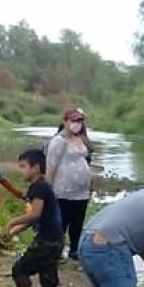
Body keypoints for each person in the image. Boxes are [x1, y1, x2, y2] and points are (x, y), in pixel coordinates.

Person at [4, 149, 64, 287]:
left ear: (36, 167)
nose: (20, 171)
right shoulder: (43, 186)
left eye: (23, 166)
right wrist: (13, 232)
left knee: (19, 270)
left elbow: (34, 214)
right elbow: (35, 219)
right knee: (48, 280)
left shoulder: (38, 187)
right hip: (55, 239)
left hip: (47, 240)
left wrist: (11, 223)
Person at [46, 108, 93, 261]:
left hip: (82, 193)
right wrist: (47, 191)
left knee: (77, 223)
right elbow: (51, 166)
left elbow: (86, 162)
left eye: (79, 121)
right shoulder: (58, 141)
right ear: (65, 122)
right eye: (73, 121)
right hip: (62, 191)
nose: (77, 124)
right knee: (61, 222)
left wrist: (90, 186)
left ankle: (74, 250)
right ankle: (56, 250)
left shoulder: (81, 139)